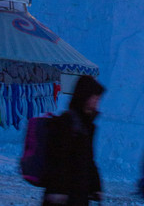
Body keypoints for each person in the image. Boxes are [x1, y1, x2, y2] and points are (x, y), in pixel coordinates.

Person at [42, 74, 105, 206]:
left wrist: (96, 187)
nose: (96, 102)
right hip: (61, 196)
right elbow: (57, 157)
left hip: (78, 194)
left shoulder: (87, 125)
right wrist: (57, 190)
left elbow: (88, 160)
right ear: (85, 96)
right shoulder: (67, 122)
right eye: (95, 98)